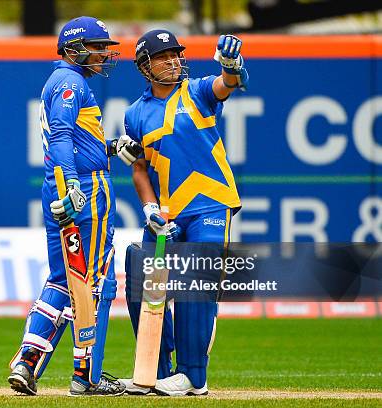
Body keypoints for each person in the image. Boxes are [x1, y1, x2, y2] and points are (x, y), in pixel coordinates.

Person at [7, 16, 141, 397]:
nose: (104, 54)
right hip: (84, 189)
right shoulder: (70, 82)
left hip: (61, 186)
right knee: (95, 282)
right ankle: (87, 376)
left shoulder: (62, 81)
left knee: (62, 280)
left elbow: (74, 138)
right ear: (73, 49)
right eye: (97, 47)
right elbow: (63, 137)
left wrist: (110, 147)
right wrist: (74, 187)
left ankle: (27, 361)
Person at [119, 30, 249, 396]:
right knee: (139, 275)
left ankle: (193, 376)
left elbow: (228, 83)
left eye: (176, 54)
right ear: (145, 66)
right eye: (164, 56)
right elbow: (139, 168)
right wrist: (148, 209)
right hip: (167, 213)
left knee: (196, 282)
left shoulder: (198, 90)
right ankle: (152, 371)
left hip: (210, 202)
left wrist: (231, 66)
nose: (174, 61)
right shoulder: (134, 114)